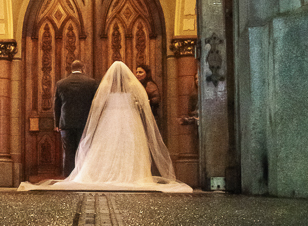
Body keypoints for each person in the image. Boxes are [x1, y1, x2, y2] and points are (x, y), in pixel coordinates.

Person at [20, 61, 191, 192]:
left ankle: (72, 176)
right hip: (129, 121)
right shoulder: (132, 87)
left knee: (97, 149)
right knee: (130, 148)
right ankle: (131, 175)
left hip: (102, 121)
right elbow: (142, 104)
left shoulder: (104, 88)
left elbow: (96, 105)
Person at [53, 59, 98, 177]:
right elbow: (95, 104)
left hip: (66, 123)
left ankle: (68, 176)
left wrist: (57, 123)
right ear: (83, 68)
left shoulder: (61, 83)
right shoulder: (91, 82)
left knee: (68, 152)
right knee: (84, 150)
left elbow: (57, 105)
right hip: (85, 122)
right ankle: (83, 176)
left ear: (71, 69)